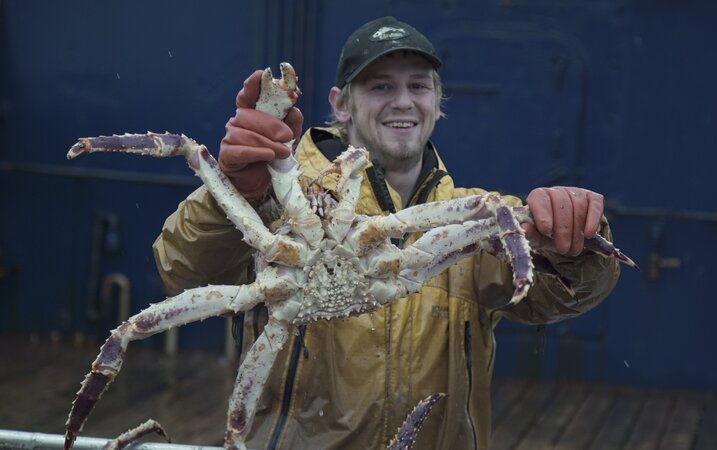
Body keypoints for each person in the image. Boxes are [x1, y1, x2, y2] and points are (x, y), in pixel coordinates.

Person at [153, 16, 620, 450]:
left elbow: (559, 296)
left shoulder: (476, 219)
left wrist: (576, 242)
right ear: (341, 104)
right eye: (380, 87)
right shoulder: (271, 203)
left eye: (418, 86)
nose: (402, 101)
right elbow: (184, 274)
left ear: (438, 104)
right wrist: (233, 197)